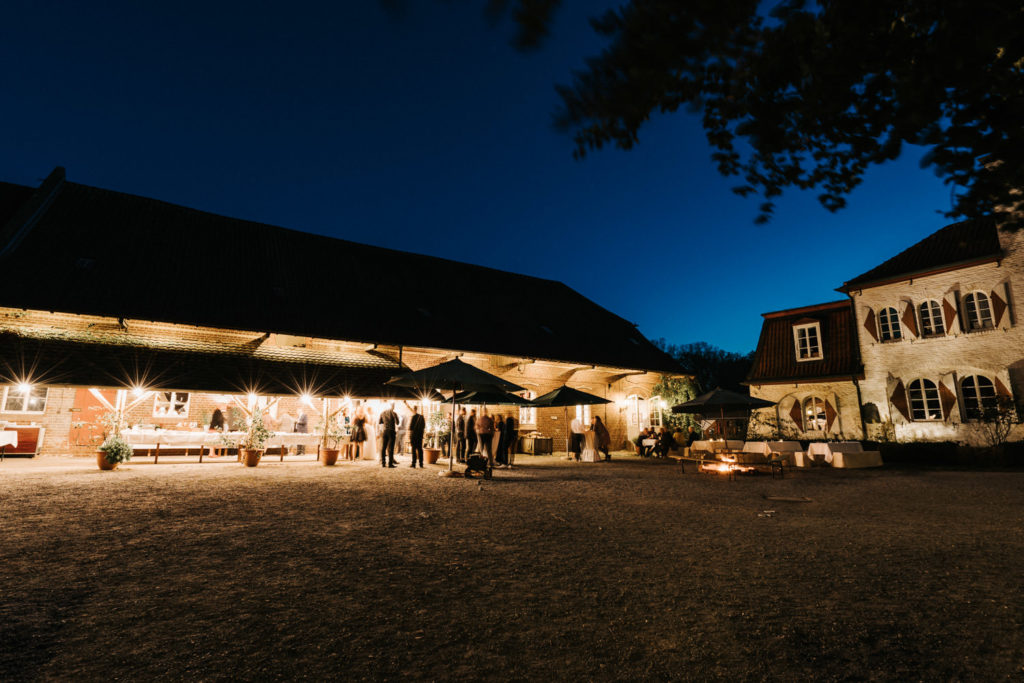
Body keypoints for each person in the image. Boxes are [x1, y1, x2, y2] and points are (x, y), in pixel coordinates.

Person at [379, 402, 399, 468]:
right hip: (392, 431)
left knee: (383, 448)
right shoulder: (394, 413)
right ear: (392, 406)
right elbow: (397, 423)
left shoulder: (382, 413)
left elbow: (380, 422)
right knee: (391, 448)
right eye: (393, 406)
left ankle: (383, 463)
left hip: (385, 431)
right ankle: (390, 464)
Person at [475, 407, 494, 472]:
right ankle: (491, 463)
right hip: (488, 435)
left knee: (481, 449)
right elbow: (492, 428)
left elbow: (476, 427)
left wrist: (479, 431)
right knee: (489, 449)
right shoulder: (489, 419)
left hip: (481, 434)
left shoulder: (479, 419)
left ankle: (480, 463)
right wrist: (491, 435)